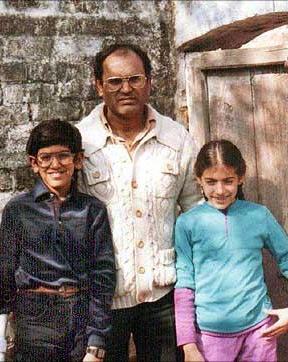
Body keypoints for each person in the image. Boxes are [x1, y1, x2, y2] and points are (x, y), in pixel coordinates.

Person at [76, 43, 202, 362]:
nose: (126, 88)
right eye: (115, 81)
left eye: (135, 78)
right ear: (99, 86)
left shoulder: (177, 138)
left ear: (149, 82)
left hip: (163, 294)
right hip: (101, 299)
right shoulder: (80, 142)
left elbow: (197, 215)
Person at [0, 120, 116, 362]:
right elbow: (3, 272)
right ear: (34, 163)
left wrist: (96, 342)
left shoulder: (92, 210)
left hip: (79, 316)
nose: (55, 165)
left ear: (78, 160)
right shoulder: (19, 210)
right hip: (34, 320)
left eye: (63, 156)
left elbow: (103, 276)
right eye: (45, 158)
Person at [174, 139, 288, 362]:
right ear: (198, 180)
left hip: (259, 333)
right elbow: (184, 287)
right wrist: (189, 345)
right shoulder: (187, 223)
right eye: (211, 181)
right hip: (209, 338)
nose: (220, 190)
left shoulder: (259, 215)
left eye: (228, 181)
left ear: (241, 178)